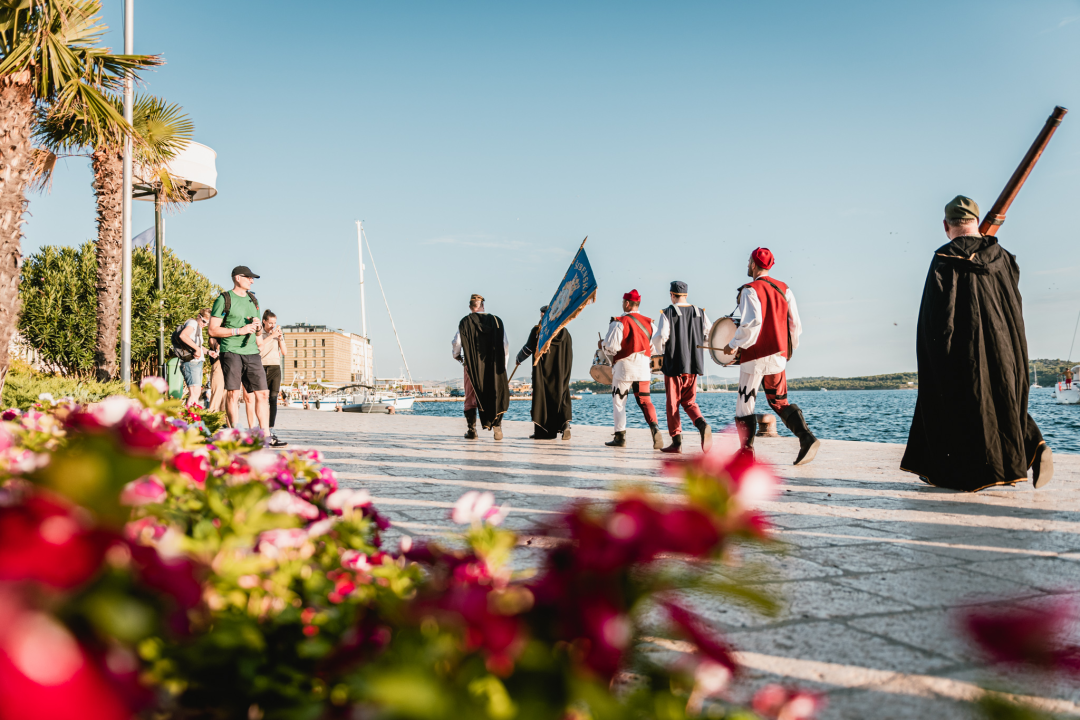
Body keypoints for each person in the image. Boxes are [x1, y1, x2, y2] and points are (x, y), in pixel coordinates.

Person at [901, 196, 1053, 491]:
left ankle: (970, 473)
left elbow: (938, 315)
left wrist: (934, 353)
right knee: (1002, 398)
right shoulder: (1003, 257)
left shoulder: (945, 259)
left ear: (946, 226)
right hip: (1006, 343)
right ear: (976, 221)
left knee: (967, 402)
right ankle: (1033, 447)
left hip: (964, 345)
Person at [722, 248, 818, 465]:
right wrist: (787, 350)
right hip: (778, 355)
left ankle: (746, 452)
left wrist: (733, 345)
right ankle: (806, 437)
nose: (747, 265)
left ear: (754, 265)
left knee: (745, 404)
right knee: (779, 400)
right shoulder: (785, 289)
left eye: (748, 262)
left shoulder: (749, 290)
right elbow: (795, 324)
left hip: (754, 356)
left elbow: (752, 324)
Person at [208, 266, 275, 441]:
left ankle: (265, 435)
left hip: (252, 352)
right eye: (249, 278)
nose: (252, 281)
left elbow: (258, 333)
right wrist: (239, 330)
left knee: (263, 393)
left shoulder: (254, 300)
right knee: (233, 393)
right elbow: (213, 330)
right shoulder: (224, 299)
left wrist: (258, 328)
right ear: (238, 278)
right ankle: (236, 434)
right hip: (231, 351)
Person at [651, 281, 712, 453]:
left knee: (673, 404)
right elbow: (710, 334)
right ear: (686, 295)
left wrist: (661, 349)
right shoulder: (700, 312)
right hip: (694, 365)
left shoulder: (668, 313)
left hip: (674, 365)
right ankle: (702, 424)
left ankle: (676, 441)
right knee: (689, 401)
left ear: (672, 295)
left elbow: (661, 336)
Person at [601, 290, 664, 449]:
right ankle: (654, 427)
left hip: (624, 368)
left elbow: (611, 347)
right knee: (645, 401)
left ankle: (620, 437)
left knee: (619, 402)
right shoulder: (650, 323)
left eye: (623, 301)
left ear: (627, 304)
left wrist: (602, 345)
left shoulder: (619, 322)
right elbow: (656, 348)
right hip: (643, 369)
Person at [451, 294, 509, 440]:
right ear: (483, 305)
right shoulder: (496, 321)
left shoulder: (465, 322)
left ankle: (472, 430)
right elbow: (505, 345)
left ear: (470, 307)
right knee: (495, 394)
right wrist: (504, 365)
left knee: (471, 396)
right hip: (494, 365)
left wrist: (456, 355)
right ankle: (497, 426)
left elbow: (457, 343)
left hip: (472, 366)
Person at [515, 305, 573, 440]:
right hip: (561, 372)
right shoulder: (564, 332)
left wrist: (518, 359)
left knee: (543, 400)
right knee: (561, 396)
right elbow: (569, 354)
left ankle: (543, 430)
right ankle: (565, 425)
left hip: (543, 374)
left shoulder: (538, 331)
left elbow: (528, 348)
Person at [255, 310, 287, 446]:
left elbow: (284, 352)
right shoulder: (259, 332)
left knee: (273, 399)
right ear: (264, 321)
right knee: (261, 398)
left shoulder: (277, 333)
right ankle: (259, 428)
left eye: (275, 322)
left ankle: (270, 429)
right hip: (261, 366)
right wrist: (271, 335)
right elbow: (258, 347)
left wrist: (279, 338)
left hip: (275, 367)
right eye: (270, 323)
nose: (273, 325)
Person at [174, 309, 211, 406]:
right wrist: (197, 349)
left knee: (196, 393)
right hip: (191, 362)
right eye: (204, 321)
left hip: (196, 362)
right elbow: (183, 335)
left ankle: (192, 416)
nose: (205, 324)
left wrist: (209, 352)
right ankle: (190, 418)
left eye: (207, 323)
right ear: (199, 316)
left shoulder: (197, 327)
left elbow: (197, 345)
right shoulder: (193, 323)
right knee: (194, 393)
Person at [205, 336, 225, 412]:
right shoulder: (218, 325)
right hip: (219, 362)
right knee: (217, 393)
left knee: (228, 396)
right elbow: (211, 339)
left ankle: (226, 422)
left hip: (232, 362)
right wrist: (217, 347)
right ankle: (212, 420)